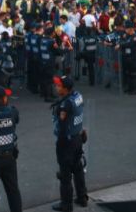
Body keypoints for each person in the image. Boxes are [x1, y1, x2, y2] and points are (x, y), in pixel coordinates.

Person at [51, 76, 88, 212]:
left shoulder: (65, 104)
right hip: (77, 137)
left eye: (59, 86)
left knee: (65, 174)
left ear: (65, 89)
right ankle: (82, 198)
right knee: (78, 169)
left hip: (66, 142)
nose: (56, 87)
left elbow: (61, 123)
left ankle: (66, 205)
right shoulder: (78, 96)